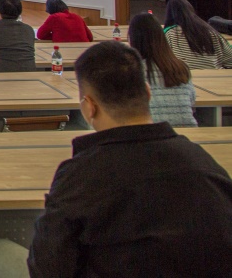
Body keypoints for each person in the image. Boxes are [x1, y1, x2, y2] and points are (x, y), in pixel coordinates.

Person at [26, 41, 232, 277]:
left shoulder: (79, 176)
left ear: (89, 107)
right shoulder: (204, 164)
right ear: (148, 92)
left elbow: (47, 267)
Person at [128, 13, 197, 127]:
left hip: (151, 133)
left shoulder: (132, 72)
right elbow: (192, 101)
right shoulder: (181, 67)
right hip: (187, 133)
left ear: (133, 40)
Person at [163, 0, 232, 69]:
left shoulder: (168, 34)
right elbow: (230, 60)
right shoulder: (211, 31)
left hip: (183, 75)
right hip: (214, 74)